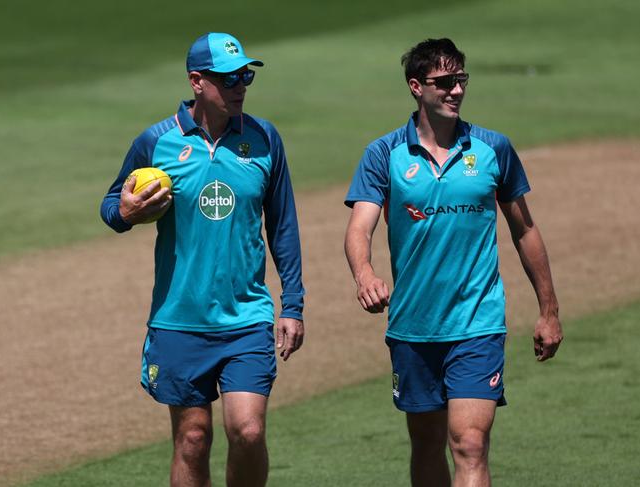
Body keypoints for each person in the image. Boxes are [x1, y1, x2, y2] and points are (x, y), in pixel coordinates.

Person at [344, 38, 562, 486]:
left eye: (461, 80)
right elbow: (359, 228)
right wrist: (364, 273)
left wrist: (549, 310)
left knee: (468, 443)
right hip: (413, 326)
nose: (456, 91)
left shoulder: (492, 149)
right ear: (415, 87)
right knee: (427, 445)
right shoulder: (383, 155)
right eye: (444, 82)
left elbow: (524, 230)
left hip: (477, 323)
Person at [100, 32, 305, 487]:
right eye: (228, 77)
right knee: (192, 437)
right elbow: (111, 206)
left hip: (246, 317)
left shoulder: (264, 139)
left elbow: (283, 226)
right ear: (197, 81)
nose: (241, 85)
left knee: (248, 431)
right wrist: (126, 213)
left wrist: (293, 304)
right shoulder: (156, 142)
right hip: (179, 318)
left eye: (246, 75)